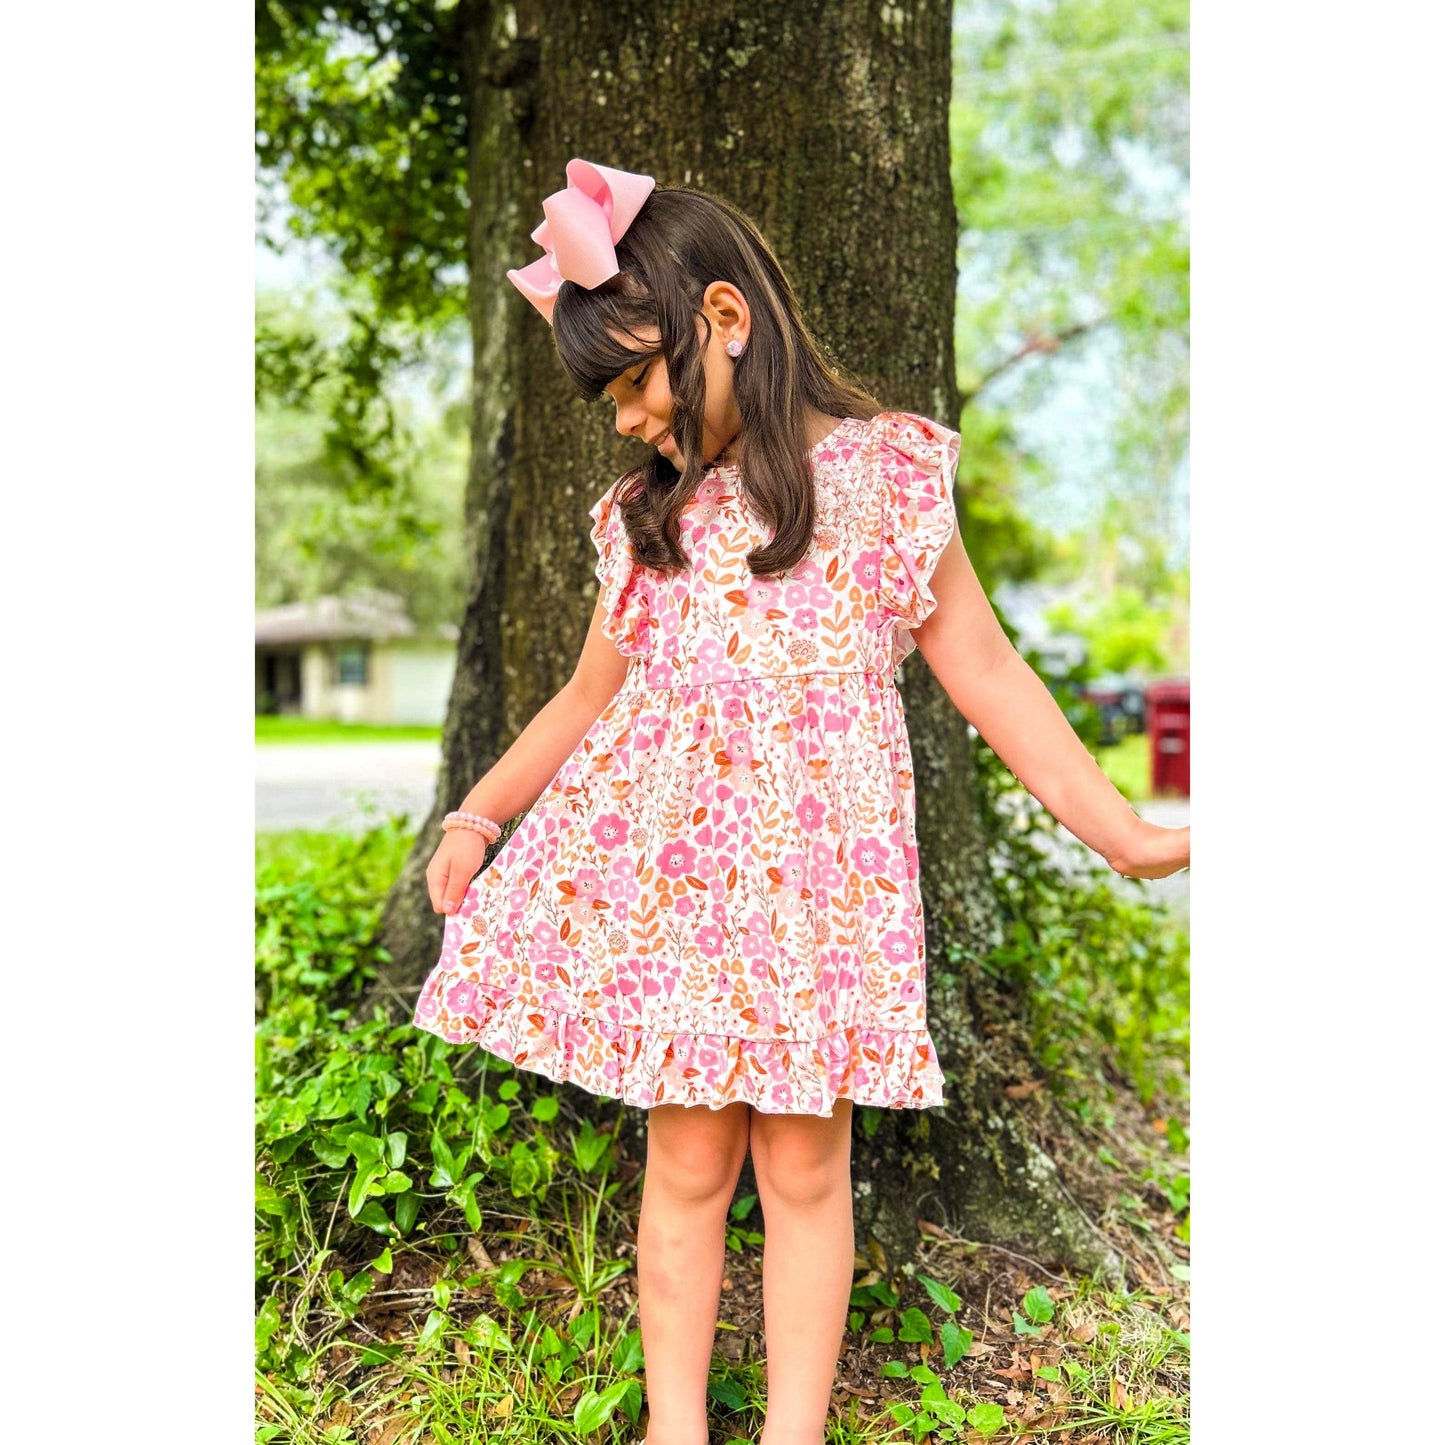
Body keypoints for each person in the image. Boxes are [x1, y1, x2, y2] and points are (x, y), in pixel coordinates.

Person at [412, 159, 1189, 1445]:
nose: (621, 418)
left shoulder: (889, 483)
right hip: (681, 899)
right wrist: (476, 816)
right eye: (604, 395)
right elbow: (579, 698)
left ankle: (793, 1431)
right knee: (687, 1163)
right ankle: (674, 1427)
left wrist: (1125, 834)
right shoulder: (646, 522)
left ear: (722, 318)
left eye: (633, 381)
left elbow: (989, 678)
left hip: (818, 901)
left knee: (805, 1166)